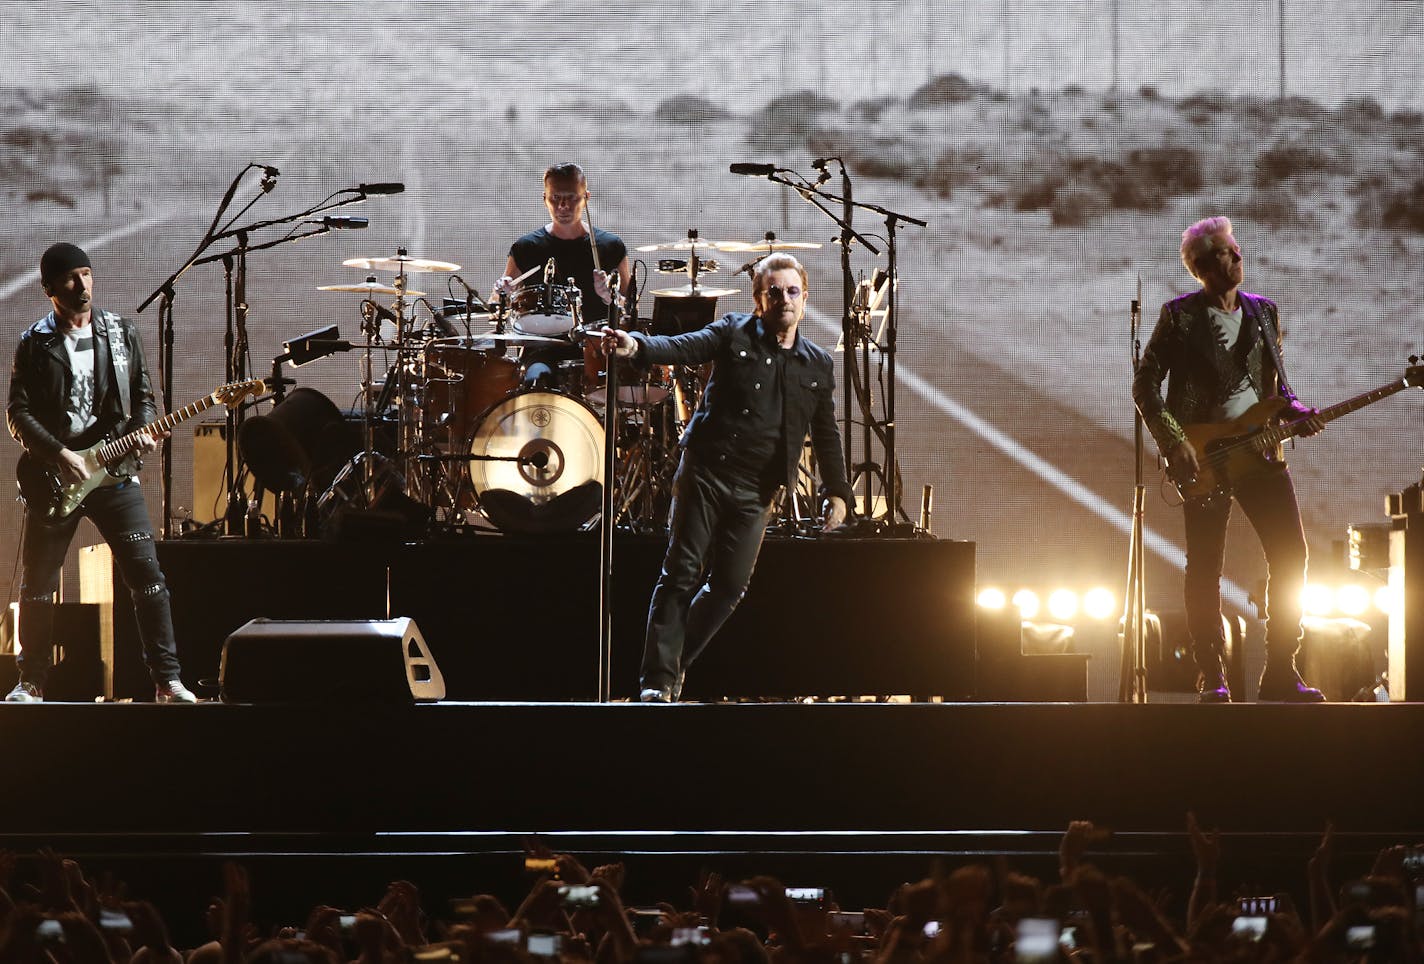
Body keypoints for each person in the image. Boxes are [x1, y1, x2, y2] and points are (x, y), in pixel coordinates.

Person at [602, 253, 851, 702]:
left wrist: (837, 491)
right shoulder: (733, 331)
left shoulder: (816, 364)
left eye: (792, 291)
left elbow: (826, 432)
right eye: (773, 291)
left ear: (805, 297)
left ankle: (674, 663)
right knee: (681, 574)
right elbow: (682, 346)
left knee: (730, 588)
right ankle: (657, 683)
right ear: (759, 299)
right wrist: (635, 345)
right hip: (707, 472)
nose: (784, 299)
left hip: (759, 490)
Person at [1132, 216, 1324, 703]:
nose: (1237, 258)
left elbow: (1276, 386)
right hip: (1204, 458)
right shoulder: (1179, 316)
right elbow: (1145, 385)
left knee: (1292, 558)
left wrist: (1295, 408)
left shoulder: (1264, 312)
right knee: (1204, 569)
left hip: (1261, 453)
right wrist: (1175, 441)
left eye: (1236, 249)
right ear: (1200, 266)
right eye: (1224, 253)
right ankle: (1212, 676)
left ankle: (1281, 670)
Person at [6, 242, 197, 703]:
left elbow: (143, 396)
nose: (83, 285)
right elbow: (18, 413)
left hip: (113, 473)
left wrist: (146, 430)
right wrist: (57, 454)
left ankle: (167, 681)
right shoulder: (36, 342)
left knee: (148, 578)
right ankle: (30, 682)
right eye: (72, 278)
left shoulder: (120, 332)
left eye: (87, 274)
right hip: (58, 477)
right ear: (50, 288)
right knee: (39, 584)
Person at [493, 163, 631, 389]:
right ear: (544, 198)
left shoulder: (610, 247)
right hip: (542, 350)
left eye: (571, 198)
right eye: (555, 198)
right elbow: (495, 305)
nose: (563, 205)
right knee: (535, 381)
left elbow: (630, 312)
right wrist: (504, 294)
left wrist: (611, 298)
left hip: (598, 349)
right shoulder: (526, 248)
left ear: (586, 197)